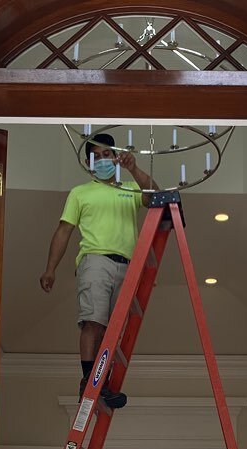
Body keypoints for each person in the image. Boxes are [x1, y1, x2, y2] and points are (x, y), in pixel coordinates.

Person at [40, 132, 157, 409]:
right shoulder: (80, 193)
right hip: (95, 259)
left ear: (115, 157)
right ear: (88, 162)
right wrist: (50, 269)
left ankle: (101, 383)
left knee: (114, 331)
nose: (103, 160)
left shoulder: (129, 188)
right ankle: (87, 380)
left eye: (108, 154)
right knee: (94, 320)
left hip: (128, 264)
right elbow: (64, 230)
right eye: (97, 156)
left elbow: (155, 197)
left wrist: (133, 168)